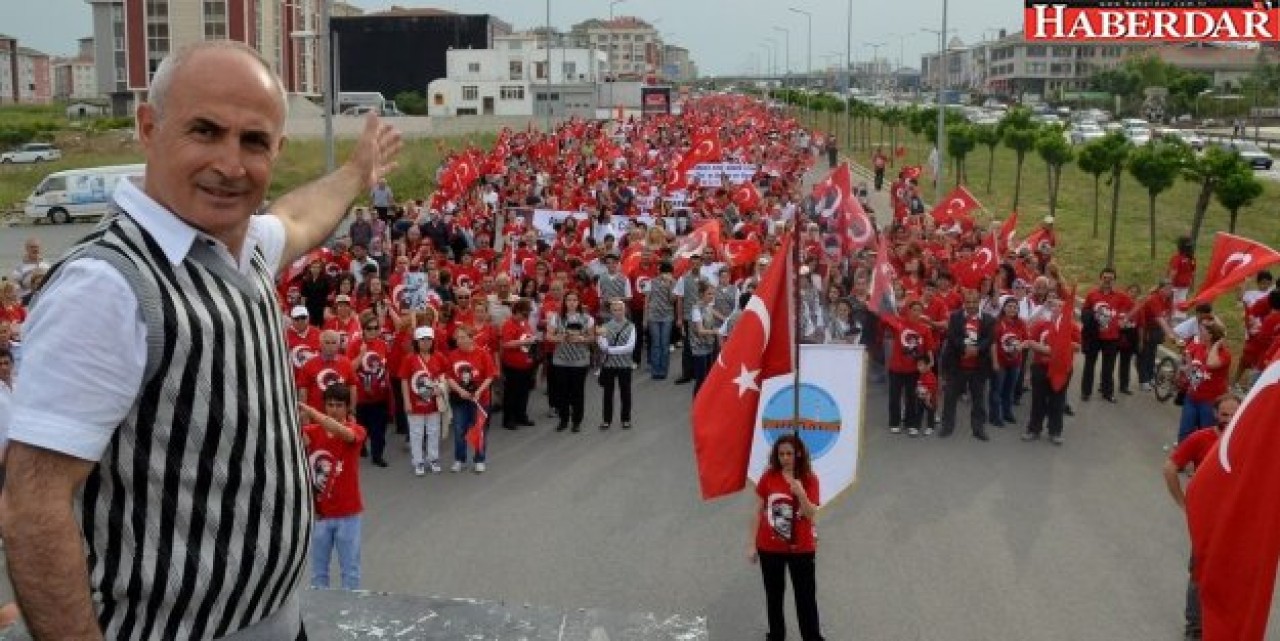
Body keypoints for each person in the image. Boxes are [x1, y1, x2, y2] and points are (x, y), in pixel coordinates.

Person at [0, 40, 400, 639]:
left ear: (277, 150)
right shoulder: (107, 288)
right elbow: (33, 507)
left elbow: (297, 219)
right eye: (205, 132)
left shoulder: (238, 246)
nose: (231, 164)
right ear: (148, 127)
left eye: (254, 141)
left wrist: (354, 172)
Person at [1162, 395, 1240, 641]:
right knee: (1200, 571)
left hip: (1236, 523)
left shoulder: (1247, 441)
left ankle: (1220, 621)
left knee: (1230, 574)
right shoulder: (1200, 438)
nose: (1229, 419)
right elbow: (1170, 468)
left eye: (1234, 414)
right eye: (1224, 414)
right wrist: (1184, 504)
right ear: (1215, 414)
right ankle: (1195, 627)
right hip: (1207, 523)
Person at [748, 433, 826, 641]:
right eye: (781, 453)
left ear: (798, 454)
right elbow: (758, 511)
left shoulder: (809, 479)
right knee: (774, 596)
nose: (785, 458)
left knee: (805, 598)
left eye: (789, 453)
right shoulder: (769, 476)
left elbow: (811, 514)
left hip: (801, 549)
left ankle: (812, 637)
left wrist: (801, 493)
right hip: (770, 548)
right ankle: (776, 635)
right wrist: (752, 545)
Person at [301, 383, 367, 591]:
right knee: (319, 573)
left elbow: (342, 433)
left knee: (351, 572)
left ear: (348, 408)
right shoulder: (310, 432)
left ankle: (351, 614)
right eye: (329, 405)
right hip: (320, 514)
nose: (333, 409)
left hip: (348, 514)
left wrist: (310, 411)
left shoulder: (356, 430)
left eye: (339, 405)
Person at [939, 289, 995, 441]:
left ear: (979, 302)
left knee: (978, 399)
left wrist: (976, 350)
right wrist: (965, 348)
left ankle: (978, 428)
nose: (971, 305)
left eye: (974, 302)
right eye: (968, 302)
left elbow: (989, 339)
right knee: (950, 397)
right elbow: (952, 337)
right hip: (957, 366)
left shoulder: (989, 319)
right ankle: (947, 426)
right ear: (964, 302)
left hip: (978, 367)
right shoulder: (955, 317)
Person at [399, 326, 448, 476]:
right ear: (416, 341)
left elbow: (446, 375)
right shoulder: (409, 358)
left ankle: (433, 459)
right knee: (416, 433)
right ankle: (418, 461)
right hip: (415, 403)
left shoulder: (439, 357)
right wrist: (406, 401)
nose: (426, 342)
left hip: (434, 402)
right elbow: (404, 380)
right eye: (422, 340)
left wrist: (442, 387)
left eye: (429, 339)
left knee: (434, 431)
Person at [446, 325, 496, 472]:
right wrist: (460, 391)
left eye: (462, 337)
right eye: (458, 338)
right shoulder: (453, 355)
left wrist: (479, 391)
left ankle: (479, 459)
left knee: (479, 430)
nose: (459, 341)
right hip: (460, 399)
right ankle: (459, 459)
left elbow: (490, 376)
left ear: (471, 338)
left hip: (479, 399)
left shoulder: (482, 354)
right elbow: (449, 377)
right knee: (459, 429)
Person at [1080, 267, 1132, 403]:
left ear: (1114, 280)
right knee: (1089, 365)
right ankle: (1086, 392)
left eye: (1110, 279)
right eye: (1105, 278)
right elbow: (1084, 311)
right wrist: (1091, 317)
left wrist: (1124, 319)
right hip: (1094, 336)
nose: (1107, 281)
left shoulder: (1121, 296)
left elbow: (1133, 307)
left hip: (1112, 337)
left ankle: (1107, 392)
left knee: (1108, 367)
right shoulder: (1092, 295)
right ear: (1100, 279)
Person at [348, 310, 390, 467]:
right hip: (360, 396)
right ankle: (362, 445)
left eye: (376, 328)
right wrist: (361, 354)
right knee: (362, 426)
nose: (373, 331)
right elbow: (349, 369)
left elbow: (385, 367)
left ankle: (377, 455)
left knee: (379, 429)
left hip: (379, 395)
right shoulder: (355, 345)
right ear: (363, 329)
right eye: (369, 328)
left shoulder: (382, 344)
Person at [548, 291, 594, 432]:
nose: (572, 302)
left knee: (577, 391)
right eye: (569, 300)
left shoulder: (587, 319)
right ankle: (563, 419)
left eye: (575, 300)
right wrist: (560, 338)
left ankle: (576, 421)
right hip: (561, 360)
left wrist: (582, 339)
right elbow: (549, 336)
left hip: (580, 360)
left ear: (578, 302)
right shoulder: (556, 318)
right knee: (562, 391)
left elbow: (592, 338)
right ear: (565, 302)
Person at [1177, 320, 1230, 443]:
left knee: (1205, 434)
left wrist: (1215, 346)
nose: (1199, 333)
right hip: (1192, 397)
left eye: (1202, 331)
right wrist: (1186, 369)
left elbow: (1211, 364)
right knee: (1184, 433)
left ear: (1210, 335)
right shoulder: (1198, 347)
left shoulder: (1224, 355)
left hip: (1209, 402)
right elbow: (1194, 374)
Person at [499, 299, 538, 430]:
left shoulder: (524, 322)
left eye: (527, 314)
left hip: (526, 364)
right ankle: (509, 419)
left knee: (524, 392)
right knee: (511, 393)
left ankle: (521, 415)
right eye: (524, 313)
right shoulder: (508, 324)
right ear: (517, 312)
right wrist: (524, 342)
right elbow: (506, 344)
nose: (526, 316)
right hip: (512, 365)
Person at [596, 299, 636, 430]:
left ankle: (626, 419)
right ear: (611, 311)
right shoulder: (605, 326)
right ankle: (606, 420)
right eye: (615, 310)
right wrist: (609, 349)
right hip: (609, 365)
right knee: (608, 393)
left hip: (625, 365)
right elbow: (602, 344)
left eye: (620, 309)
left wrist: (610, 350)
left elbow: (630, 347)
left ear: (625, 310)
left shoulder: (631, 326)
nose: (617, 312)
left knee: (626, 392)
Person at [644, 261, 678, 380]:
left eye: (667, 272)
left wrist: (670, 286)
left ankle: (663, 370)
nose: (664, 275)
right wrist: (645, 319)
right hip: (653, 315)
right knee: (656, 344)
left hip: (667, 316)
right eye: (663, 272)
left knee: (664, 344)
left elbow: (672, 300)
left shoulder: (673, 283)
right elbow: (647, 301)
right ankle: (655, 370)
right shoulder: (651, 282)